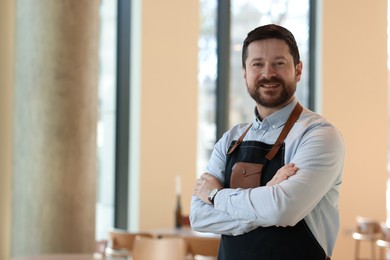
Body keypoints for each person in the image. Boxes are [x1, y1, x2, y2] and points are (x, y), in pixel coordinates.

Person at [190, 24, 345, 260]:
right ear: (245, 73)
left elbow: (283, 210)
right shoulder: (230, 138)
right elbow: (199, 216)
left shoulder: (318, 135)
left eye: (279, 63)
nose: (267, 73)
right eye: (257, 64)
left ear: (298, 70)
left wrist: (215, 196)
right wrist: (267, 195)